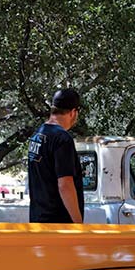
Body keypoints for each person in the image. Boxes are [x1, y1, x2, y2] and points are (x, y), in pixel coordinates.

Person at [27, 88, 85, 223]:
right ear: (73, 112)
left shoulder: (37, 135)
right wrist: (78, 223)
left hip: (38, 220)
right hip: (59, 224)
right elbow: (65, 185)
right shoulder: (62, 139)